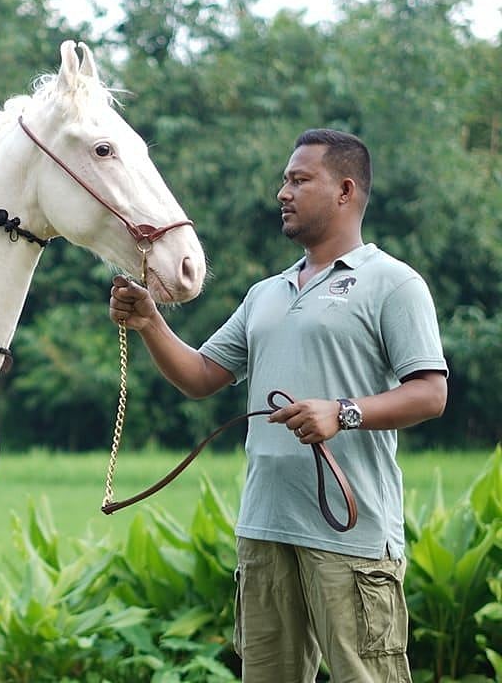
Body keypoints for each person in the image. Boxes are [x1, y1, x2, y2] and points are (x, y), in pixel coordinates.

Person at [109, 128, 447, 682]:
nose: (282, 193)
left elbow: (431, 393)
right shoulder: (265, 293)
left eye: (298, 179)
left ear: (344, 190)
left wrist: (343, 412)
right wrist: (149, 321)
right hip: (264, 529)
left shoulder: (394, 284)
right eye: (284, 180)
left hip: (351, 537)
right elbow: (201, 377)